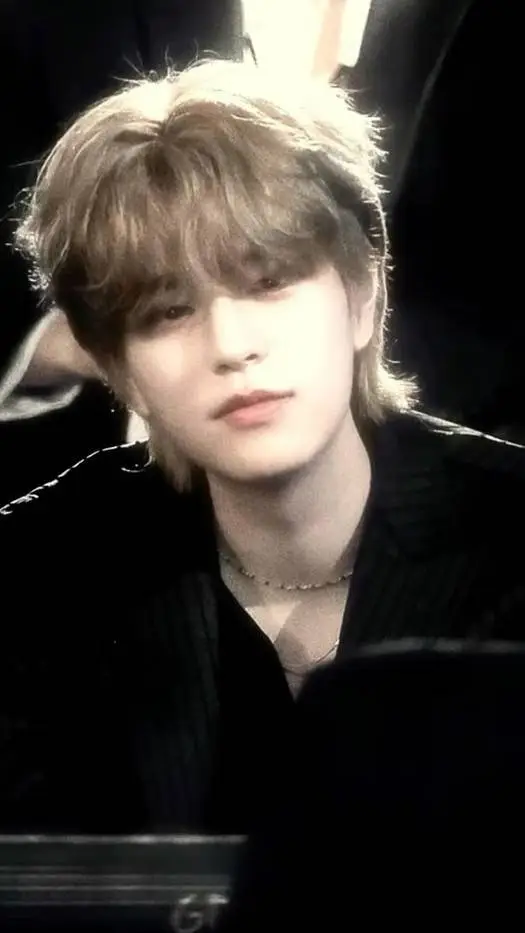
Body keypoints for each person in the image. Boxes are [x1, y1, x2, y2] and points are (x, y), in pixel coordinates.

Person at [1, 58, 525, 836]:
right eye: (168, 311)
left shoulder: (511, 533)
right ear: (119, 368)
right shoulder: (37, 570)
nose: (231, 345)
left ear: (361, 294)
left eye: (268, 281)